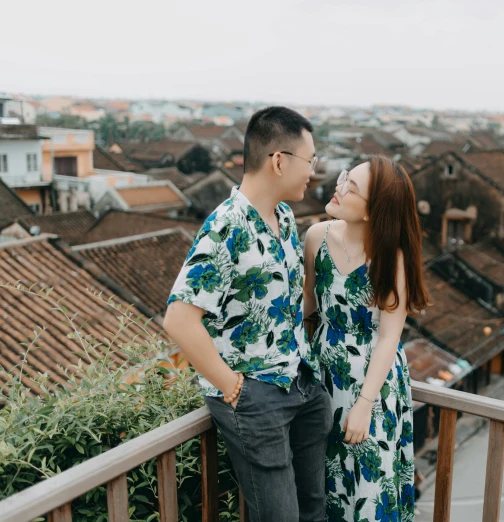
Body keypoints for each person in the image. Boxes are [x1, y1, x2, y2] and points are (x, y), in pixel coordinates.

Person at [164, 107, 331, 522]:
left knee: (313, 511)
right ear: (279, 160)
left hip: (302, 387)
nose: (314, 171)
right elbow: (179, 319)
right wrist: (234, 389)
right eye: (309, 161)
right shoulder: (226, 227)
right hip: (257, 396)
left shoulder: (286, 218)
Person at [303, 156, 429, 522]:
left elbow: (389, 338)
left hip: (372, 386)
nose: (338, 188)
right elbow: (308, 307)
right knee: (324, 489)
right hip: (323, 380)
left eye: (351, 187)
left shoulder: (393, 258)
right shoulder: (316, 237)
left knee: (369, 492)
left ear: (373, 212)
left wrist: (363, 406)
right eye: (345, 178)